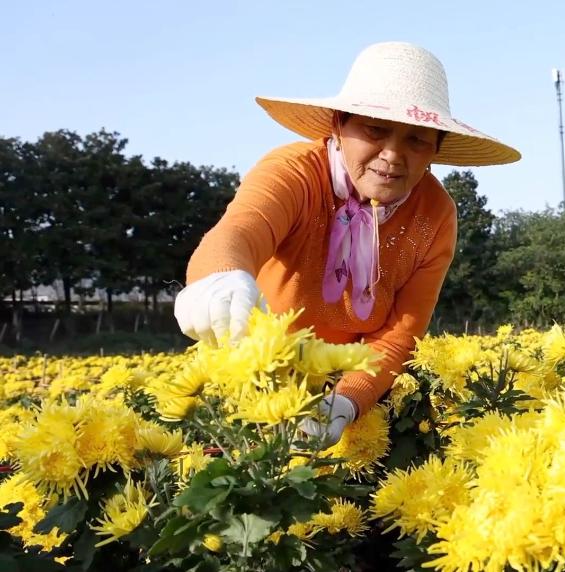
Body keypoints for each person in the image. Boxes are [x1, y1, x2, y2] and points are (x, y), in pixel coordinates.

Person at [174, 42, 520, 445]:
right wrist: (220, 277)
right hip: (257, 379)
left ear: (436, 149)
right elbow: (239, 232)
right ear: (339, 123)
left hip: (354, 386)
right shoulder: (294, 173)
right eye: (375, 129)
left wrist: (347, 399)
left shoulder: (436, 214)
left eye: (417, 140)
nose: (392, 155)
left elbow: (401, 332)